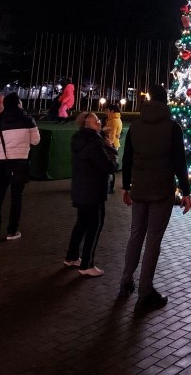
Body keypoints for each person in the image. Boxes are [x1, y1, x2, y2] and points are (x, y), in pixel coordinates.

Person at [118, 83, 191, 313]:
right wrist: (187, 192)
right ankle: (145, 292)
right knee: (153, 240)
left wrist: (126, 187)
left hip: (139, 189)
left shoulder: (136, 126)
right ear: (166, 101)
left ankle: (125, 282)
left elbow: (127, 159)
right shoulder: (172, 128)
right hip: (161, 191)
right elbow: (180, 162)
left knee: (136, 235)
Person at [64, 111, 118, 277]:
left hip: (81, 189)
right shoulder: (95, 142)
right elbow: (108, 166)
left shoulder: (78, 139)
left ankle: (72, 256)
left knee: (81, 224)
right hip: (93, 191)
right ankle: (87, 264)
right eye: (96, 121)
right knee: (94, 226)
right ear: (89, 124)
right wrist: (111, 148)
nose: (100, 122)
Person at [0, 91, 40, 241]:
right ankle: (12, 231)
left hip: (2, 162)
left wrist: (1, 152)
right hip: (20, 163)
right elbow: (35, 141)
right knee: (16, 198)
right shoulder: (28, 120)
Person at [103, 104, 123, 193]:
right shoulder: (112, 119)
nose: (105, 112)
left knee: (111, 166)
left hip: (111, 145)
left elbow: (112, 135)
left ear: (112, 111)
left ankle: (110, 187)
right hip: (113, 144)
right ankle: (109, 186)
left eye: (107, 110)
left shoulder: (114, 121)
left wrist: (108, 144)